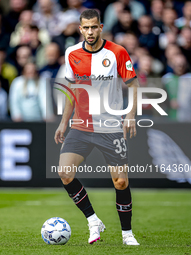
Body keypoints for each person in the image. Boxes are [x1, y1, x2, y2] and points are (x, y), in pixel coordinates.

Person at [54, 9, 140, 245]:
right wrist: (63, 123)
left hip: (110, 126)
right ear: (80, 29)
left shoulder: (117, 52)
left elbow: (133, 85)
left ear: (101, 27)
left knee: (120, 181)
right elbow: (71, 91)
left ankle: (127, 234)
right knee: (64, 172)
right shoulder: (71, 53)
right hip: (81, 126)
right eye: (86, 28)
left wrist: (130, 115)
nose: (90, 32)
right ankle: (93, 220)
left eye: (94, 27)